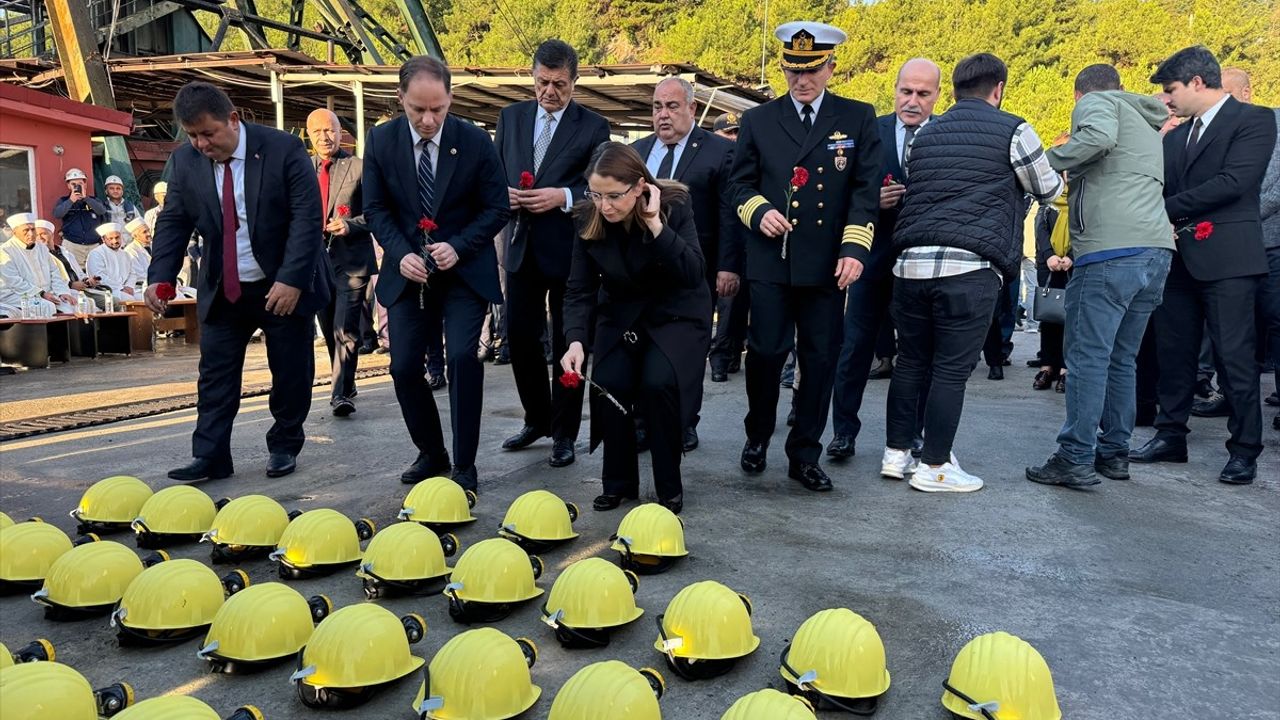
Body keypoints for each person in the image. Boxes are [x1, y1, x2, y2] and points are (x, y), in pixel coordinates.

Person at [883, 52, 1063, 492]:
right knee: (948, 371)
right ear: (998, 89)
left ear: (954, 89)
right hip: (968, 268)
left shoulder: (925, 134)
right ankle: (935, 466)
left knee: (910, 362)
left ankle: (897, 454)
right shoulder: (1013, 128)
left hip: (909, 267)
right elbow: (1049, 188)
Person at [145, 80, 328, 482]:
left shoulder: (282, 149)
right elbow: (174, 221)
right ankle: (210, 456)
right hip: (223, 284)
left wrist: (292, 279)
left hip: (280, 283)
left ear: (233, 119)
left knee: (290, 371)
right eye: (192, 136)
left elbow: (307, 218)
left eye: (208, 133)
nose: (201, 144)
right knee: (215, 374)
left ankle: (284, 444)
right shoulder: (185, 162)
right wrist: (160, 278)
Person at [727, 21, 881, 492]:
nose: (802, 80)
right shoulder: (758, 119)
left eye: (812, 70)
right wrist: (759, 212)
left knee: (819, 359)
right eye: (794, 71)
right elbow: (738, 184)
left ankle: (805, 453)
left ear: (832, 67)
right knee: (767, 354)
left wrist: (855, 249)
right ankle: (757, 435)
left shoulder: (856, 117)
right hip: (772, 258)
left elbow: (864, 190)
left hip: (826, 264)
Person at [1024, 64, 1176, 488]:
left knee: (1087, 358)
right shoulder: (1145, 121)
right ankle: (1114, 453)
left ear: (1078, 96)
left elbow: (1097, 139)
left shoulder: (1096, 102)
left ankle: (1074, 456)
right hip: (1155, 252)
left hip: (1110, 251)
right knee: (1121, 359)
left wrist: (1041, 161)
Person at [363, 56, 510, 491]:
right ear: (400, 100)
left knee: (464, 359)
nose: (428, 120)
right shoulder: (382, 140)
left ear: (450, 99)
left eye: (438, 109)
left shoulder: (475, 141)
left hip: (463, 271)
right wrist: (401, 251)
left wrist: (458, 246)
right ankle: (432, 451)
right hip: (408, 272)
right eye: (417, 110)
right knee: (404, 366)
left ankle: (464, 463)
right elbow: (375, 208)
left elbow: (497, 207)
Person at [1131, 46, 1276, 485]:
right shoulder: (1175, 137)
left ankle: (1245, 448)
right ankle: (1170, 434)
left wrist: (1164, 211)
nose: (1166, 100)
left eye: (1170, 90)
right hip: (1178, 260)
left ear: (1197, 82)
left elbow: (1235, 183)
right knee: (1174, 353)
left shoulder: (1254, 120)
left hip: (1230, 259)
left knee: (1234, 357)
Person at [561, 142, 709, 515]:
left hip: (676, 313)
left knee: (658, 383)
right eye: (596, 194)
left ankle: (668, 486)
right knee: (610, 382)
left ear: (640, 186)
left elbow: (692, 272)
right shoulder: (586, 218)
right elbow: (579, 289)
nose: (604, 205)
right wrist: (575, 341)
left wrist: (657, 224)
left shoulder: (675, 205)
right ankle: (619, 483)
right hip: (622, 315)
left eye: (614, 196)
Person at [494, 39, 612, 468]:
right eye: (542, 82)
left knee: (569, 342)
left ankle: (564, 432)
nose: (549, 92)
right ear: (532, 76)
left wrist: (561, 196)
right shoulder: (510, 118)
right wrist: (501, 195)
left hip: (569, 253)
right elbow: (493, 172)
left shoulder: (593, 127)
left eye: (559, 84)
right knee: (521, 339)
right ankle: (536, 419)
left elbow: (600, 187)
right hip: (521, 248)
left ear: (574, 81)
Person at [828, 57, 941, 461]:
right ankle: (843, 431)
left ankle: (911, 433)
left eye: (922, 94)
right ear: (894, 89)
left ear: (936, 96)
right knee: (855, 347)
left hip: (922, 265)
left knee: (916, 353)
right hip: (870, 260)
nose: (912, 101)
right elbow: (837, 191)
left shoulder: (945, 136)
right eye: (905, 91)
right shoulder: (867, 131)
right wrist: (870, 202)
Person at [631, 77, 740, 451]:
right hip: (644, 271)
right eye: (658, 106)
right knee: (645, 346)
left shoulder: (717, 151)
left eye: (672, 106)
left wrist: (728, 266)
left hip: (697, 267)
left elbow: (728, 212)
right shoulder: (637, 151)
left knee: (689, 351)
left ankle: (684, 422)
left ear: (692, 109)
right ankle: (644, 421)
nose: (663, 114)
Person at [307, 108, 378, 418]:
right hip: (314, 263)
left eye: (331, 130)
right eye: (318, 132)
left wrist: (352, 225)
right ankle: (346, 383)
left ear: (340, 132)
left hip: (351, 260)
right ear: (309, 136)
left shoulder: (360, 167)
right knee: (328, 327)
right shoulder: (302, 168)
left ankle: (339, 394)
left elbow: (378, 213)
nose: (325, 136)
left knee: (345, 328)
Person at [708, 111, 751, 382]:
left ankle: (729, 356)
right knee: (722, 305)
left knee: (735, 304)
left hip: (740, 243)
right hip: (711, 244)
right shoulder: (709, 161)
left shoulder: (744, 163)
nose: (733, 138)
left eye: (736, 133)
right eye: (727, 133)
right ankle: (721, 357)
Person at [1030, 190, 1071, 393]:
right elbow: (1041, 227)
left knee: (1070, 318)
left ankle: (1065, 369)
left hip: (1073, 265)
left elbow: (1089, 229)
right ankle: (1047, 367)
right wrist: (1049, 255)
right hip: (1048, 264)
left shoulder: (1083, 193)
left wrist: (1072, 255)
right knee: (1049, 316)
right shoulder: (1050, 197)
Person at [0, 214, 76, 314]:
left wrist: (62, 292)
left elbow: (54, 272)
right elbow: (14, 282)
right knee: (46, 307)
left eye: (33, 229)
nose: (31, 234)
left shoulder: (42, 248)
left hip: (46, 293)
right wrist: (41, 294)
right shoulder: (5, 251)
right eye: (26, 230)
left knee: (72, 303)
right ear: (14, 232)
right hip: (16, 294)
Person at [52, 168, 109, 268]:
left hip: (94, 245)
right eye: (73, 184)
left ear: (85, 184)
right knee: (74, 274)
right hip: (72, 244)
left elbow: (102, 211)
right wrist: (71, 200)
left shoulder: (94, 200)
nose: (77, 186)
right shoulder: (63, 200)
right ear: (68, 186)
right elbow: (57, 214)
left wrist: (86, 198)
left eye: (80, 183)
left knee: (96, 273)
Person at [86, 223, 138, 302]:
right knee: (130, 300)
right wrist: (121, 288)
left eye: (117, 237)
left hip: (125, 289)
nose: (115, 241)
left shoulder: (125, 254)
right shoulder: (96, 253)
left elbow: (132, 273)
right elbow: (99, 277)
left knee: (143, 297)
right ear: (103, 239)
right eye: (111, 238)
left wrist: (129, 286)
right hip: (105, 290)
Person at [102, 175, 142, 244]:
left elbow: (140, 226)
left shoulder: (130, 206)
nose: (115, 191)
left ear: (122, 191)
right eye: (111, 188)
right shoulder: (103, 207)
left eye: (118, 188)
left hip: (129, 246)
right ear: (106, 191)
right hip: (111, 245)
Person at [122, 218, 152, 287]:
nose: (149, 234)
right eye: (144, 232)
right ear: (135, 236)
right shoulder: (130, 251)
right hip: (143, 287)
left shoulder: (155, 245)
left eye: (148, 230)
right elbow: (140, 275)